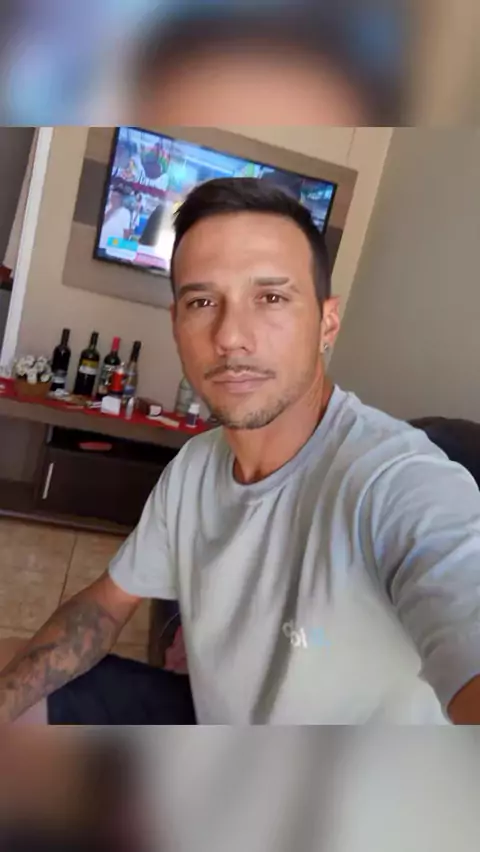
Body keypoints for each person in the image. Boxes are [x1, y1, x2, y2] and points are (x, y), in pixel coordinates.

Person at [1, 177, 480, 725]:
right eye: (202, 301)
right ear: (176, 324)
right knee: (11, 662)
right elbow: (105, 605)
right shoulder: (194, 467)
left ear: (327, 322)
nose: (230, 336)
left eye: (271, 297)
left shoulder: (396, 481)